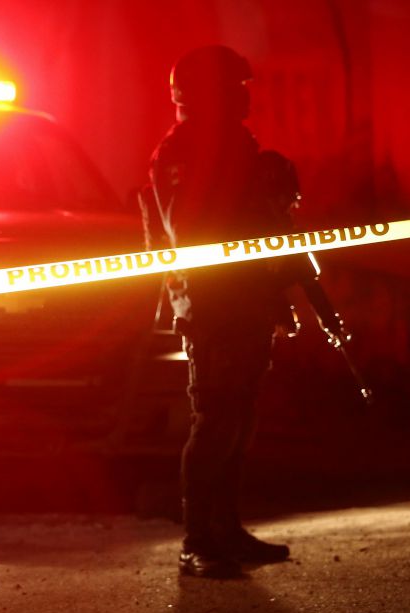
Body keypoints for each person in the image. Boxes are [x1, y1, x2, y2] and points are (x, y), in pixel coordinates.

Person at [140, 45, 303, 579]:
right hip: (211, 302)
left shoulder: (235, 144)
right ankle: (197, 541)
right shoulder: (182, 150)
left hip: (247, 297)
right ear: (204, 94)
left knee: (240, 417)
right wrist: (248, 191)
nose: (244, 97)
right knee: (214, 420)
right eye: (234, 87)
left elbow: (258, 225)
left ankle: (226, 527)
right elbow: (191, 231)